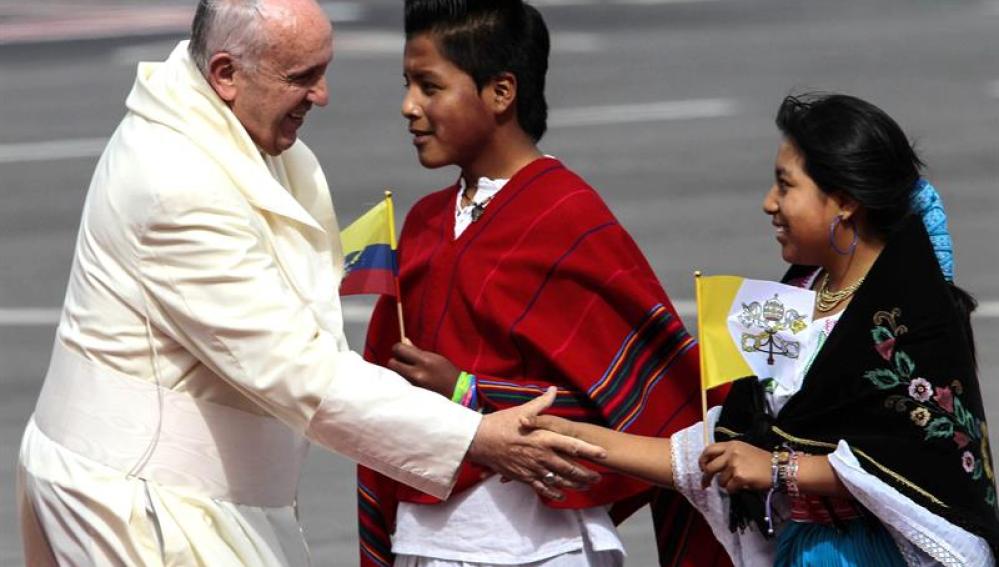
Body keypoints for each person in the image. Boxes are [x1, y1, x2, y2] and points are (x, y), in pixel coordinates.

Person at [15, 1, 606, 565]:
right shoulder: (176, 185)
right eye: (304, 76)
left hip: (197, 496)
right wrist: (474, 435)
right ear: (225, 72)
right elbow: (294, 368)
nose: (322, 96)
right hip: (143, 503)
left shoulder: (229, 123)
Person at [526, 93, 999, 566]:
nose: (768, 203)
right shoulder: (796, 299)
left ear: (844, 202)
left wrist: (778, 467)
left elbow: (922, 467)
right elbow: (719, 452)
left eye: (785, 185)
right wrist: (575, 438)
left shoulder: (912, 317)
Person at [356, 2, 729, 566]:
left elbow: (648, 406)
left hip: (537, 546)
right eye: (407, 84)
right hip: (419, 539)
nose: (409, 106)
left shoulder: (567, 215)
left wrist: (466, 390)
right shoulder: (422, 222)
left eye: (430, 86)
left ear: (501, 92)